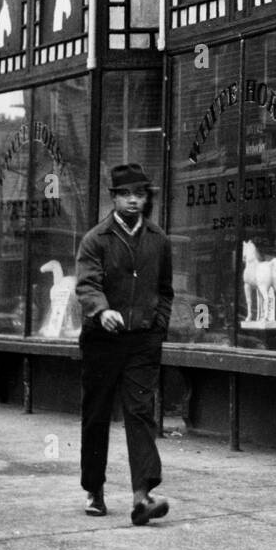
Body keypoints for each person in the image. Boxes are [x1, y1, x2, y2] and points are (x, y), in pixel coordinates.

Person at [76, 162, 173, 525]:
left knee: (140, 414)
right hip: (102, 340)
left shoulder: (159, 240)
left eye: (140, 194)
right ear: (114, 198)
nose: (134, 201)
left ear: (147, 199)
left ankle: (141, 497)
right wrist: (102, 312)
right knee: (97, 414)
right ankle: (94, 491)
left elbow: (165, 291)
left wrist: (157, 327)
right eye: (126, 194)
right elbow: (87, 284)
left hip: (142, 342)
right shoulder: (95, 240)